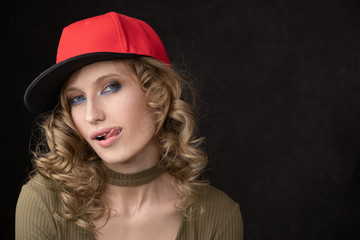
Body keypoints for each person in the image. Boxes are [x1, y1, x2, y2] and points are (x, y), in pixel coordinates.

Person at [16, 12, 243, 240]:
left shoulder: (218, 215)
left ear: (158, 92)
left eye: (110, 87)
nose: (91, 115)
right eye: (77, 98)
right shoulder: (45, 201)